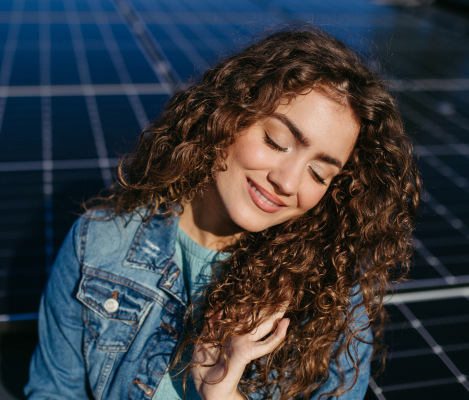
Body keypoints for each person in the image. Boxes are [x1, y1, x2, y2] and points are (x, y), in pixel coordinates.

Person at [25, 25, 420, 400]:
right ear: (228, 115)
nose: (288, 182)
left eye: (319, 173)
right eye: (276, 140)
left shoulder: (332, 294)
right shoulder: (97, 245)